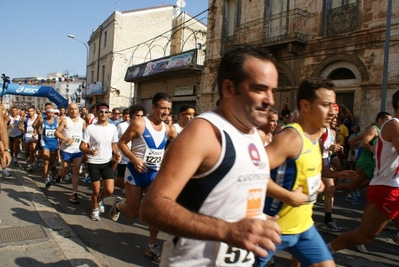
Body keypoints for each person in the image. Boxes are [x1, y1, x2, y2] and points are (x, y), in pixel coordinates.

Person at [139, 46, 282, 266]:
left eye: (272, 90)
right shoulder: (204, 132)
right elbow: (152, 208)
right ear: (228, 88)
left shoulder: (253, 133)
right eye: (260, 89)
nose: (270, 99)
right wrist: (227, 231)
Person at [255, 77, 358, 267]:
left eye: (333, 105)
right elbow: (250, 173)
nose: (332, 111)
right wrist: (288, 196)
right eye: (325, 105)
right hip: (273, 228)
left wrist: (320, 182)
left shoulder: (316, 137)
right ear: (305, 105)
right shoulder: (290, 138)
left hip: (304, 228)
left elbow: (312, 172)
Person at [328, 90, 399, 253]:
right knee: (364, 236)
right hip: (386, 188)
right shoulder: (394, 124)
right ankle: (325, 252)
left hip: (394, 187)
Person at [110, 93, 176, 262]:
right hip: (135, 172)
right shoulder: (139, 123)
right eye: (162, 108)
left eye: (168, 109)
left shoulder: (168, 129)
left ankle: (151, 245)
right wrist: (134, 159)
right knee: (132, 213)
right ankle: (118, 205)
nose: (166, 112)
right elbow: (121, 143)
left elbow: (174, 143)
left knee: (155, 211)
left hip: (154, 175)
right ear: (153, 107)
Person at [80, 102, 120, 221]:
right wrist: (89, 151)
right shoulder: (91, 128)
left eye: (106, 112)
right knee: (96, 189)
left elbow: (114, 145)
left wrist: (117, 153)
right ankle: (95, 210)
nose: (103, 114)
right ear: (97, 113)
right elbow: (82, 146)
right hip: (93, 162)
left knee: (109, 190)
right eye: (101, 112)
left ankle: (100, 199)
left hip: (107, 162)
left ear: (109, 114)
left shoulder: (113, 128)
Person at [55, 103, 86, 203]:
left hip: (77, 150)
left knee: (76, 171)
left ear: (78, 110)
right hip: (66, 150)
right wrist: (65, 139)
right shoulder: (65, 120)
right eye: (71, 109)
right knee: (65, 170)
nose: (73, 111)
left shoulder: (83, 122)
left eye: (75, 109)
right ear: (68, 110)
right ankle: (60, 173)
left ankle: (74, 193)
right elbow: (57, 132)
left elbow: (87, 134)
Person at [34, 106, 59, 189]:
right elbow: (35, 126)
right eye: (49, 113)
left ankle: (50, 172)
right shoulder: (42, 120)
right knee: (46, 161)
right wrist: (38, 131)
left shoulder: (57, 120)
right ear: (46, 113)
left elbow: (61, 130)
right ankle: (46, 179)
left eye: (52, 113)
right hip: (45, 142)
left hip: (54, 143)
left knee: (51, 162)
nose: (51, 114)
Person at [23, 106, 38, 172]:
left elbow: (40, 126)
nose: (30, 113)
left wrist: (36, 133)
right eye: (28, 111)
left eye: (31, 111)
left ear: (34, 111)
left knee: (32, 150)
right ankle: (28, 159)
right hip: (27, 135)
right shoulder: (25, 118)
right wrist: (22, 129)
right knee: (27, 151)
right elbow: (21, 126)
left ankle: (31, 164)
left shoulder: (37, 117)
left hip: (34, 136)